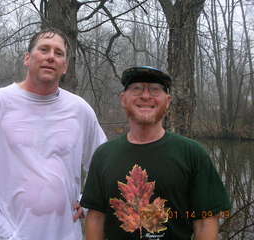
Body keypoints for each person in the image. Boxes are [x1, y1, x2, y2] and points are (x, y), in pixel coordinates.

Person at [0, 28, 106, 240]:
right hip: (15, 235)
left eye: (59, 53)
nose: (51, 57)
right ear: (28, 58)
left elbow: (103, 162)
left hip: (69, 234)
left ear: (65, 66)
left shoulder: (79, 109)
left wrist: (88, 201)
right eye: (44, 49)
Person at [80, 66, 231, 240]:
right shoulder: (103, 155)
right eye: (137, 89)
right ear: (123, 99)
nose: (145, 96)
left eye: (155, 90)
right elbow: (96, 218)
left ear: (167, 101)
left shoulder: (192, 154)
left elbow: (206, 222)